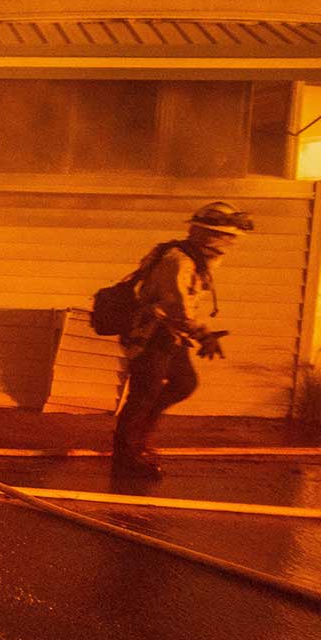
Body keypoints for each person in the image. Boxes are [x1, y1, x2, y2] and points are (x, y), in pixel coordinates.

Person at [111, 201, 251, 481]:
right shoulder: (179, 261)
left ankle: (142, 432)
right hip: (150, 335)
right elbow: (177, 308)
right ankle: (125, 456)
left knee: (184, 383)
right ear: (207, 235)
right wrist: (203, 334)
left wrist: (198, 333)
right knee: (144, 394)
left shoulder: (195, 259)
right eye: (226, 237)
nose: (230, 243)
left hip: (170, 333)